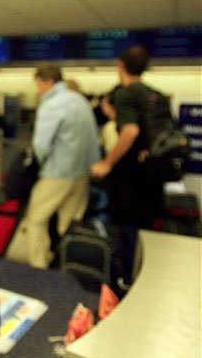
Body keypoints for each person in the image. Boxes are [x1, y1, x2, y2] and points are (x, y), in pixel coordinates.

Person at [90, 45, 164, 286]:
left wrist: (106, 162)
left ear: (121, 65)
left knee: (126, 233)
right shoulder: (155, 95)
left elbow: (130, 131)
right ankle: (146, 277)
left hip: (129, 179)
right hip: (152, 175)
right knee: (146, 233)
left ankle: (126, 282)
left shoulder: (124, 93)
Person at [24, 64, 101, 268]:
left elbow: (41, 145)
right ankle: (68, 265)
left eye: (38, 85)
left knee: (35, 219)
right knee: (69, 225)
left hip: (57, 173)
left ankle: (39, 267)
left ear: (48, 82)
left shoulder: (51, 104)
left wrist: (39, 165)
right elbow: (93, 139)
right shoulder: (80, 101)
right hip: (82, 175)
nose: (37, 90)